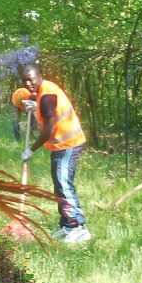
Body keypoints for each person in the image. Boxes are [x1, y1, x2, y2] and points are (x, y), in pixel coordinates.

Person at [20, 64, 91, 243]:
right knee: (59, 185)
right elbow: (48, 109)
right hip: (61, 145)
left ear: (39, 76)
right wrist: (34, 106)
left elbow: (48, 131)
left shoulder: (47, 95)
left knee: (64, 184)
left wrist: (31, 149)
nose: (29, 83)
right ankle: (67, 225)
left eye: (31, 79)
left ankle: (78, 227)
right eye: (25, 80)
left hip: (68, 144)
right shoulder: (45, 91)